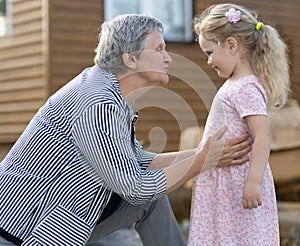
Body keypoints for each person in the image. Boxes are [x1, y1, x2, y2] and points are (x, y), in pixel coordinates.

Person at [0, 14, 252, 246]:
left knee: (153, 199)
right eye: (159, 49)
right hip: (21, 230)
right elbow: (134, 187)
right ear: (130, 59)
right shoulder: (97, 103)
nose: (169, 58)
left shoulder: (113, 93)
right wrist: (201, 161)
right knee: (147, 194)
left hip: (59, 218)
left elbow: (139, 162)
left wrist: (207, 154)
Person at [188, 3, 290, 245]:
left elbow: (263, 136)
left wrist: (253, 181)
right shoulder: (236, 84)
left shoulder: (246, 87)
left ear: (232, 45)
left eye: (210, 53)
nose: (209, 61)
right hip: (223, 182)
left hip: (237, 183)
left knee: (239, 237)